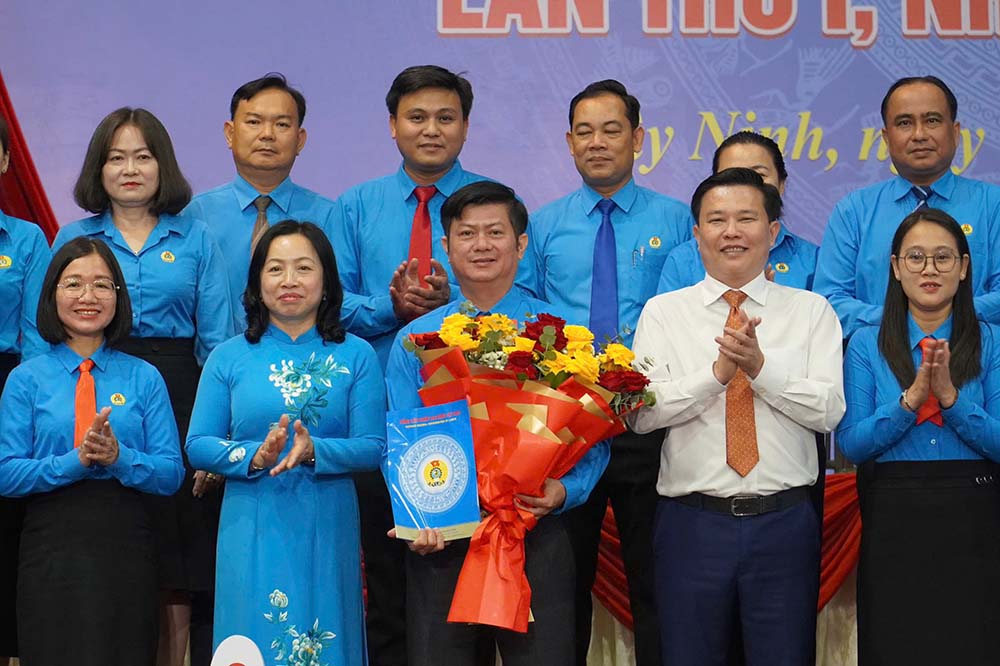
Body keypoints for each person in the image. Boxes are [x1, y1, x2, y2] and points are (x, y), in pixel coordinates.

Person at [385, 180, 609, 666]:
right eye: (467, 234)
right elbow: (403, 439)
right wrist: (421, 516)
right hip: (443, 538)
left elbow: (593, 440)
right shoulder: (414, 340)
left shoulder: (559, 334)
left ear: (521, 243)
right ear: (446, 246)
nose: (481, 245)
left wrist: (564, 491)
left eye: (495, 232)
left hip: (535, 527)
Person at [629, 168, 844, 665]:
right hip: (691, 525)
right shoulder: (663, 313)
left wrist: (760, 370)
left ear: (772, 232)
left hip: (783, 523)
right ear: (696, 233)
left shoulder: (812, 312)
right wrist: (717, 375)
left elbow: (829, 411)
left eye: (747, 218)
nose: (732, 231)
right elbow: (641, 416)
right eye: (717, 220)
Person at [516, 79, 692, 666]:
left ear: (638, 139)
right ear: (568, 142)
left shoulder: (679, 219)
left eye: (611, 130)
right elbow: (527, 320)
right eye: (584, 132)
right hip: (566, 430)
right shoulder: (541, 226)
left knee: (658, 584)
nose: (597, 143)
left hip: (651, 423)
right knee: (562, 586)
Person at [53, 106, 235, 666]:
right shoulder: (74, 236)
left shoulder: (197, 236)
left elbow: (220, 341)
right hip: (92, 386)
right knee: (108, 544)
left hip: (181, 394)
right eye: (116, 157)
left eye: (143, 156)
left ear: (163, 165)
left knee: (177, 558)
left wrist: (214, 437)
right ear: (97, 168)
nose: (130, 169)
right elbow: (45, 336)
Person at [329, 64, 489, 665]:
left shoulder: (491, 203)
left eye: (445, 118)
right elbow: (327, 301)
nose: (431, 130)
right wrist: (387, 306)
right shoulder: (355, 205)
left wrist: (459, 303)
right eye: (416, 117)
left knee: (464, 585)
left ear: (466, 127)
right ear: (392, 126)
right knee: (388, 581)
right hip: (376, 416)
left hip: (473, 425)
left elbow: (515, 301)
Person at [186, 221, 385, 665]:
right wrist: (252, 455)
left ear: (328, 281)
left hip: (327, 516)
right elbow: (198, 443)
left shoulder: (357, 355)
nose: (289, 281)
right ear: (257, 282)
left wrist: (316, 450)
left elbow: (373, 446)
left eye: (303, 268)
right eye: (275, 268)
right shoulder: (229, 356)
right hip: (250, 517)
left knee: (327, 635)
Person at [0, 237, 184, 666]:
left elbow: (171, 472)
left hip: (125, 549)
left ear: (119, 298)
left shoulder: (144, 377)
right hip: (50, 549)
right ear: (52, 295)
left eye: (102, 285)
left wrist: (120, 458)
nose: (88, 297)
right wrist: (75, 460)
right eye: (74, 284)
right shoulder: (26, 380)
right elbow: (6, 474)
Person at [837, 208, 1000, 664]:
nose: (929, 269)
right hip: (894, 514)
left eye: (943, 258)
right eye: (916, 257)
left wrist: (952, 400)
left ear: (965, 269)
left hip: (975, 514)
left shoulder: (992, 341)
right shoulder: (867, 344)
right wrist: (910, 402)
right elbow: (851, 444)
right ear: (894, 267)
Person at [814, 75, 1000, 339]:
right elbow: (830, 301)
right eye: (904, 123)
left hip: (975, 366)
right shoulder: (854, 211)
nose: (919, 134)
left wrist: (944, 318)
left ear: (955, 132)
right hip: (874, 368)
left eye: (932, 120)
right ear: (886, 137)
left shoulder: (993, 205)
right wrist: (902, 322)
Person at [185, 73, 338, 320]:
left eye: (282, 124)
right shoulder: (195, 214)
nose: (267, 134)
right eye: (254, 122)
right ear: (229, 134)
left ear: (300, 140)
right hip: (216, 356)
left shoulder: (330, 216)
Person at [0, 113, 50, 666]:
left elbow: (36, 336)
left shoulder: (27, 238)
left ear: (7, 160)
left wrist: (24, 405)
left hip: (8, 386)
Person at [659, 131, 818, 292]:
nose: (744, 186)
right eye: (732, 175)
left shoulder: (813, 260)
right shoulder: (683, 260)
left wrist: (771, 302)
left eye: (759, 175)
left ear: (782, 184)